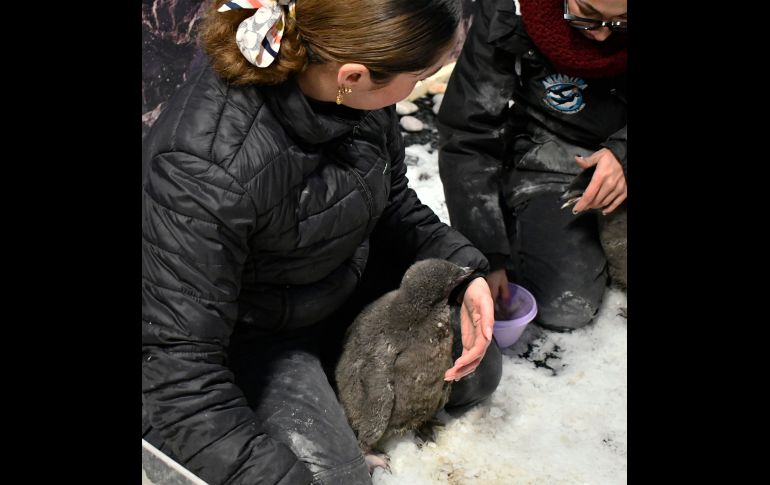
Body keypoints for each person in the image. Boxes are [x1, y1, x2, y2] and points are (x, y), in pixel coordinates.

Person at [141, 1, 502, 483]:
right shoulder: (202, 169)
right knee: (331, 478)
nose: (417, 86)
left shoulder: (353, 90)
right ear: (352, 76)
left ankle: (333, 383)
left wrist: (459, 271)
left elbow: (391, 202)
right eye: (419, 76)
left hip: (329, 281)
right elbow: (178, 382)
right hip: (253, 335)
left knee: (478, 369)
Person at [437, 0, 627, 332]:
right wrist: (487, 254)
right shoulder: (509, 14)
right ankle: (520, 217)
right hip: (555, 148)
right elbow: (468, 133)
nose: (601, 36)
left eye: (624, 20)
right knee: (565, 306)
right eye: (588, 15)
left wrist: (623, 154)